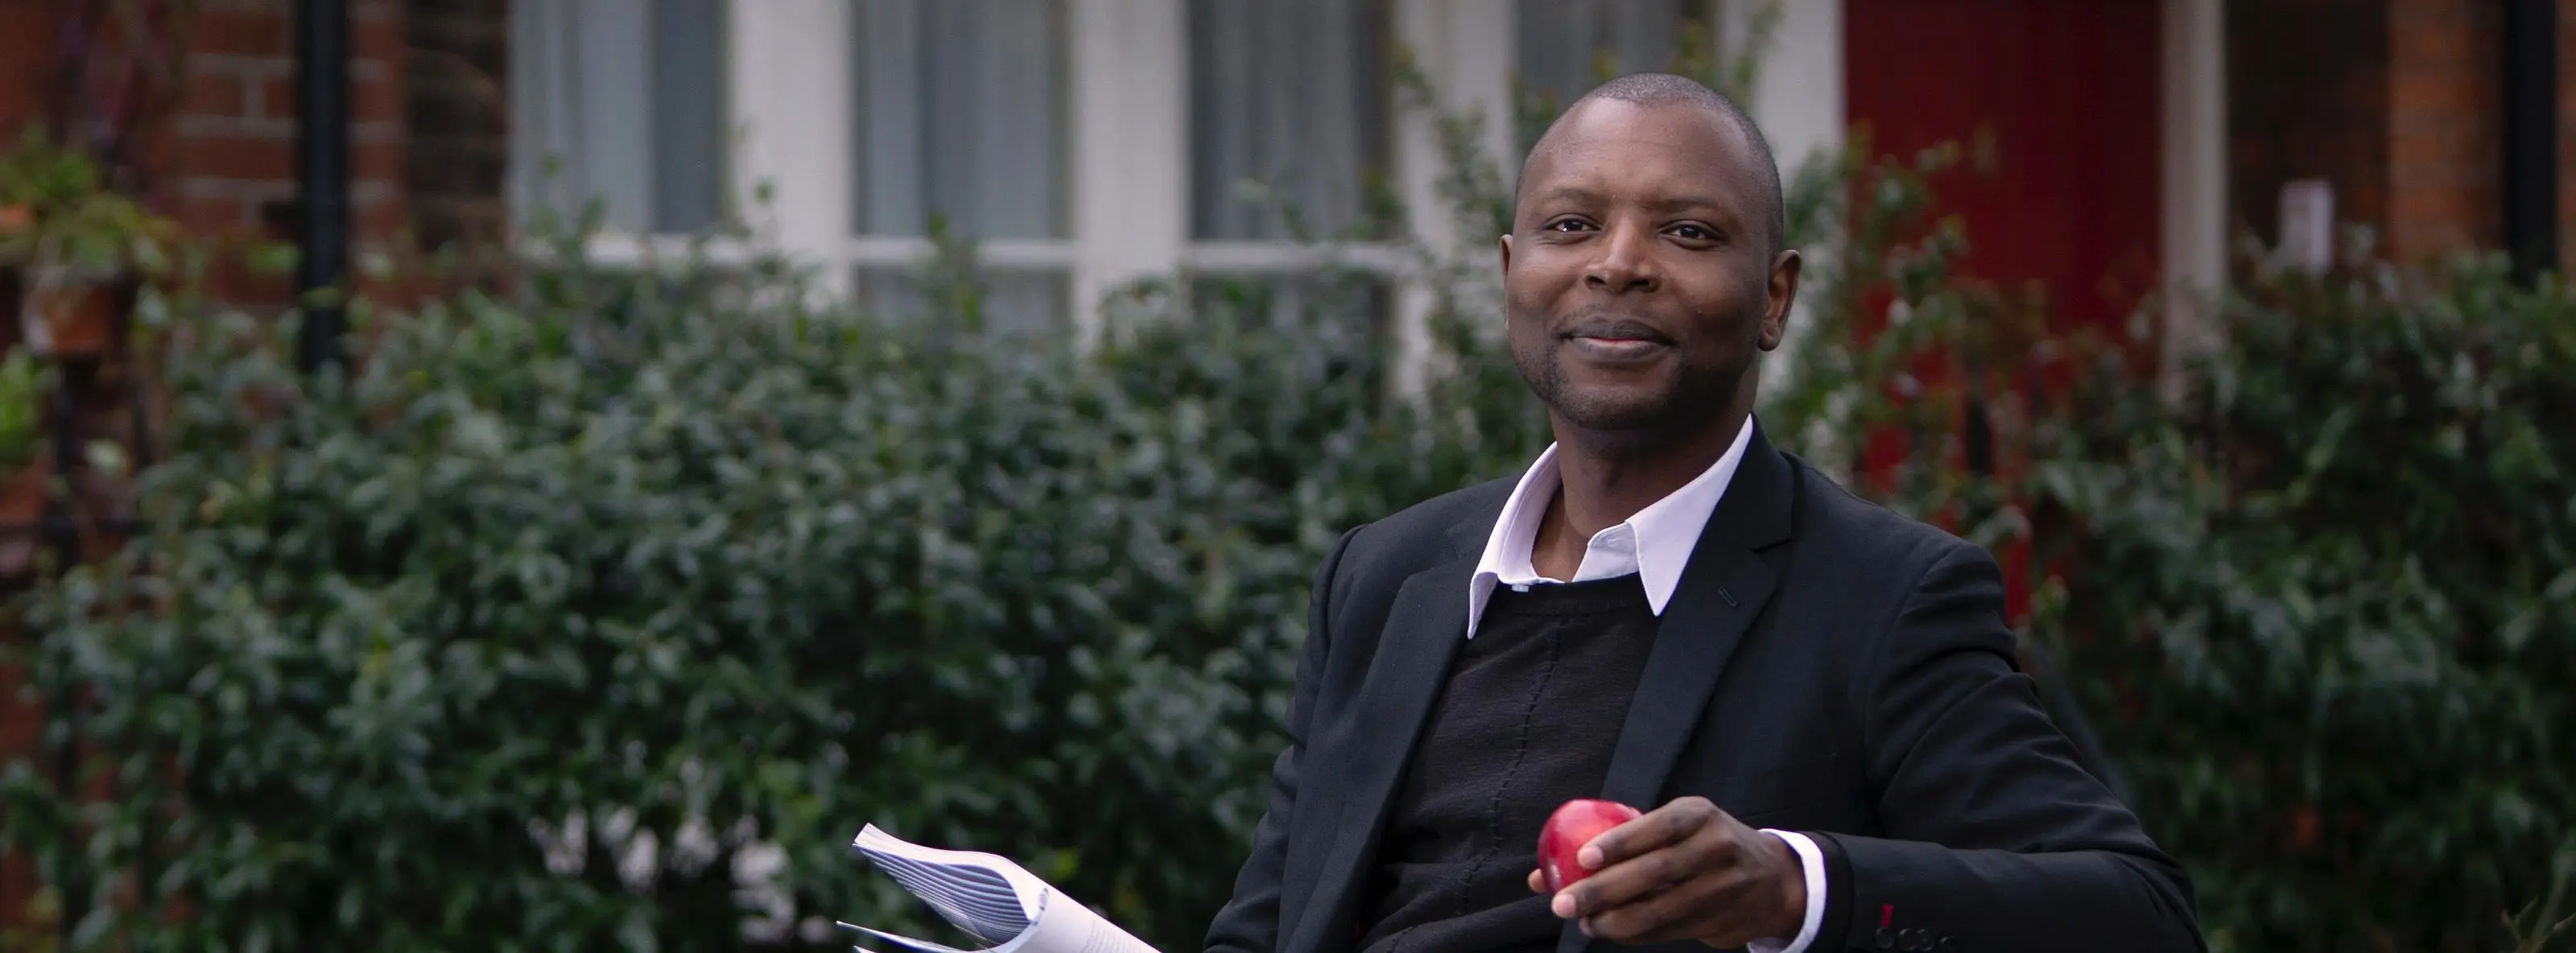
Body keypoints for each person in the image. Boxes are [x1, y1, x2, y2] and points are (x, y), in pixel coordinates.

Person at [1201, 73, 2205, 953]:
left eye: (1686, 232)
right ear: (1509, 272)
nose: (1616, 263)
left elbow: (2138, 914)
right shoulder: (1383, 578)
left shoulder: (1879, 599)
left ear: (1774, 296)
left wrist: (1791, 888)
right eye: (1570, 226)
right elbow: (1269, 924)